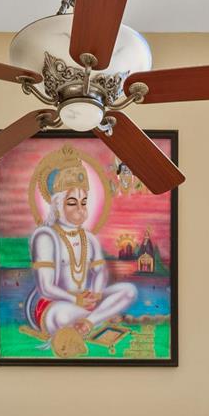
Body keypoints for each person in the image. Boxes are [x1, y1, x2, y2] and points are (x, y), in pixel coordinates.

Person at [27, 151, 138, 354]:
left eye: (84, 202)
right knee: (60, 317)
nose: (80, 209)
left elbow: (101, 273)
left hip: (87, 302)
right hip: (56, 304)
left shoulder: (89, 238)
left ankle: (87, 322)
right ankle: (98, 318)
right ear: (58, 205)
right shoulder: (46, 236)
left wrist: (95, 294)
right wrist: (76, 300)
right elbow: (45, 287)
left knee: (129, 291)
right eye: (72, 203)